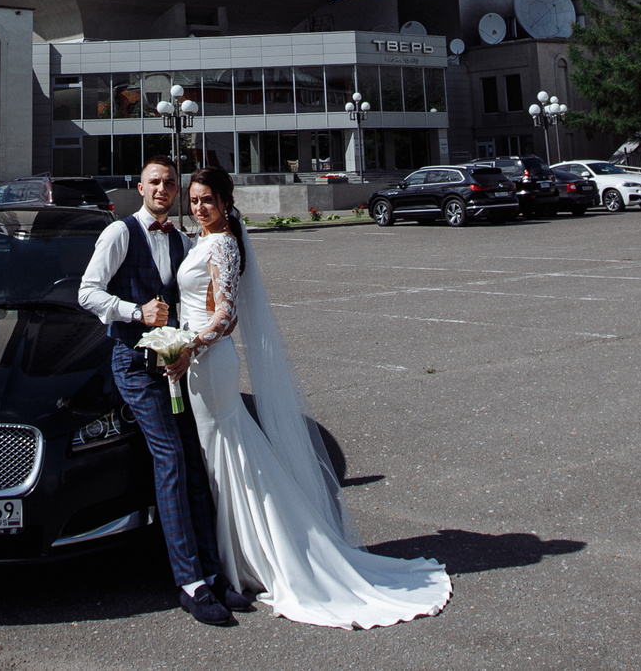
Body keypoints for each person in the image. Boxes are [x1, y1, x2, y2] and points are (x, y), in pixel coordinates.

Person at [168, 166, 451, 629]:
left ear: (225, 202)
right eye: (195, 200)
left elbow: (226, 317)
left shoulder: (220, 243)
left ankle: (254, 558)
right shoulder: (204, 239)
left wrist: (188, 346)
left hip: (208, 361)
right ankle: (239, 555)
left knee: (227, 455)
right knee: (223, 457)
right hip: (197, 362)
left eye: (208, 200)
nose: (200, 208)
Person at [75, 158, 241, 626]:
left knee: (191, 460)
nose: (163, 188)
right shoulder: (119, 233)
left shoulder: (183, 239)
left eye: (171, 182)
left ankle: (213, 573)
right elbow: (87, 293)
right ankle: (189, 582)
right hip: (133, 364)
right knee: (169, 458)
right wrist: (134, 311)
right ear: (140, 188)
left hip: (174, 365)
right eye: (155, 182)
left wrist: (192, 344)